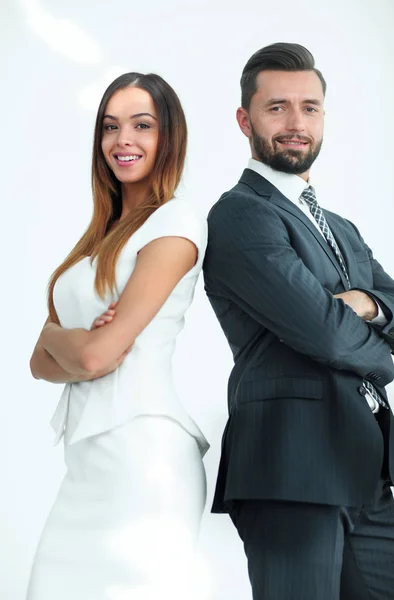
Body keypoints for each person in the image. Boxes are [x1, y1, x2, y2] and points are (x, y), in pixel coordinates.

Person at [203, 42, 394, 599]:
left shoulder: (342, 227)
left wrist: (368, 303)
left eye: (309, 108)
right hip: (292, 467)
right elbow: (325, 334)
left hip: (368, 466)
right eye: (277, 107)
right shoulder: (240, 215)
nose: (295, 123)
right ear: (245, 120)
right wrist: (379, 342)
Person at [27, 72, 209, 600]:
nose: (122, 140)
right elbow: (39, 362)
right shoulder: (97, 240)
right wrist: (73, 341)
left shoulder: (177, 221)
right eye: (110, 126)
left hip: (144, 459)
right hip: (86, 465)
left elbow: (95, 355)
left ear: (168, 138)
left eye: (141, 125)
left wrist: (71, 341)